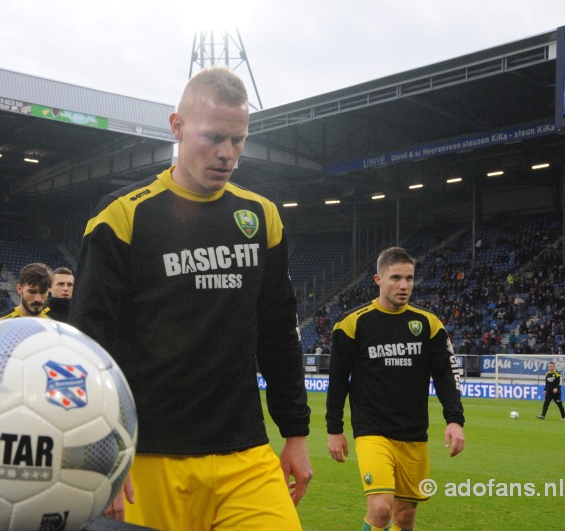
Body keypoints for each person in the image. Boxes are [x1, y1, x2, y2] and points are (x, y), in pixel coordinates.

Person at [70, 67, 312, 531]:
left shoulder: (261, 218)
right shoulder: (122, 217)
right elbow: (87, 347)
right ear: (177, 127)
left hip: (245, 456)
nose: (227, 154)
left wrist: (295, 433)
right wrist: (102, 452)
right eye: (213, 137)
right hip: (147, 458)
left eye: (238, 141)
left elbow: (279, 334)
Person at [326, 246, 465, 531]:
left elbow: (446, 375)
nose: (404, 285)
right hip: (372, 431)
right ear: (378, 280)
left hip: (414, 433)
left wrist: (454, 419)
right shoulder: (352, 325)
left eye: (410, 278)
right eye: (396, 278)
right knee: (380, 509)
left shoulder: (429, 324)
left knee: (405, 517)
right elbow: (338, 380)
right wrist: (334, 428)